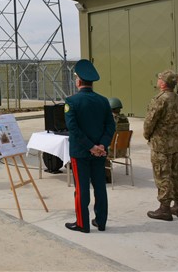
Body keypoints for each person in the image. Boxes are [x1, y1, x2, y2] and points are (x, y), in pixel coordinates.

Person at [64, 59, 116, 233]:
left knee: (82, 188)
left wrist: (89, 146)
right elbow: (111, 126)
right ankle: (101, 222)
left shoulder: (71, 102)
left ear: (78, 81)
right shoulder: (103, 101)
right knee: (100, 187)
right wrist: (101, 145)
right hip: (99, 153)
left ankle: (82, 223)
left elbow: (73, 128)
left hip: (80, 152)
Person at [143, 70, 178, 221]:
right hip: (177, 142)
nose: (158, 81)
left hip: (161, 143)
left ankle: (165, 208)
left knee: (163, 174)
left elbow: (150, 121)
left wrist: (147, 135)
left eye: (159, 79)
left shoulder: (160, 99)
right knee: (177, 174)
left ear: (163, 83)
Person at [105, 97, 130, 183]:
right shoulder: (125, 119)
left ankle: (106, 176)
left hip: (112, 151)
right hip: (123, 150)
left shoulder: (110, 119)